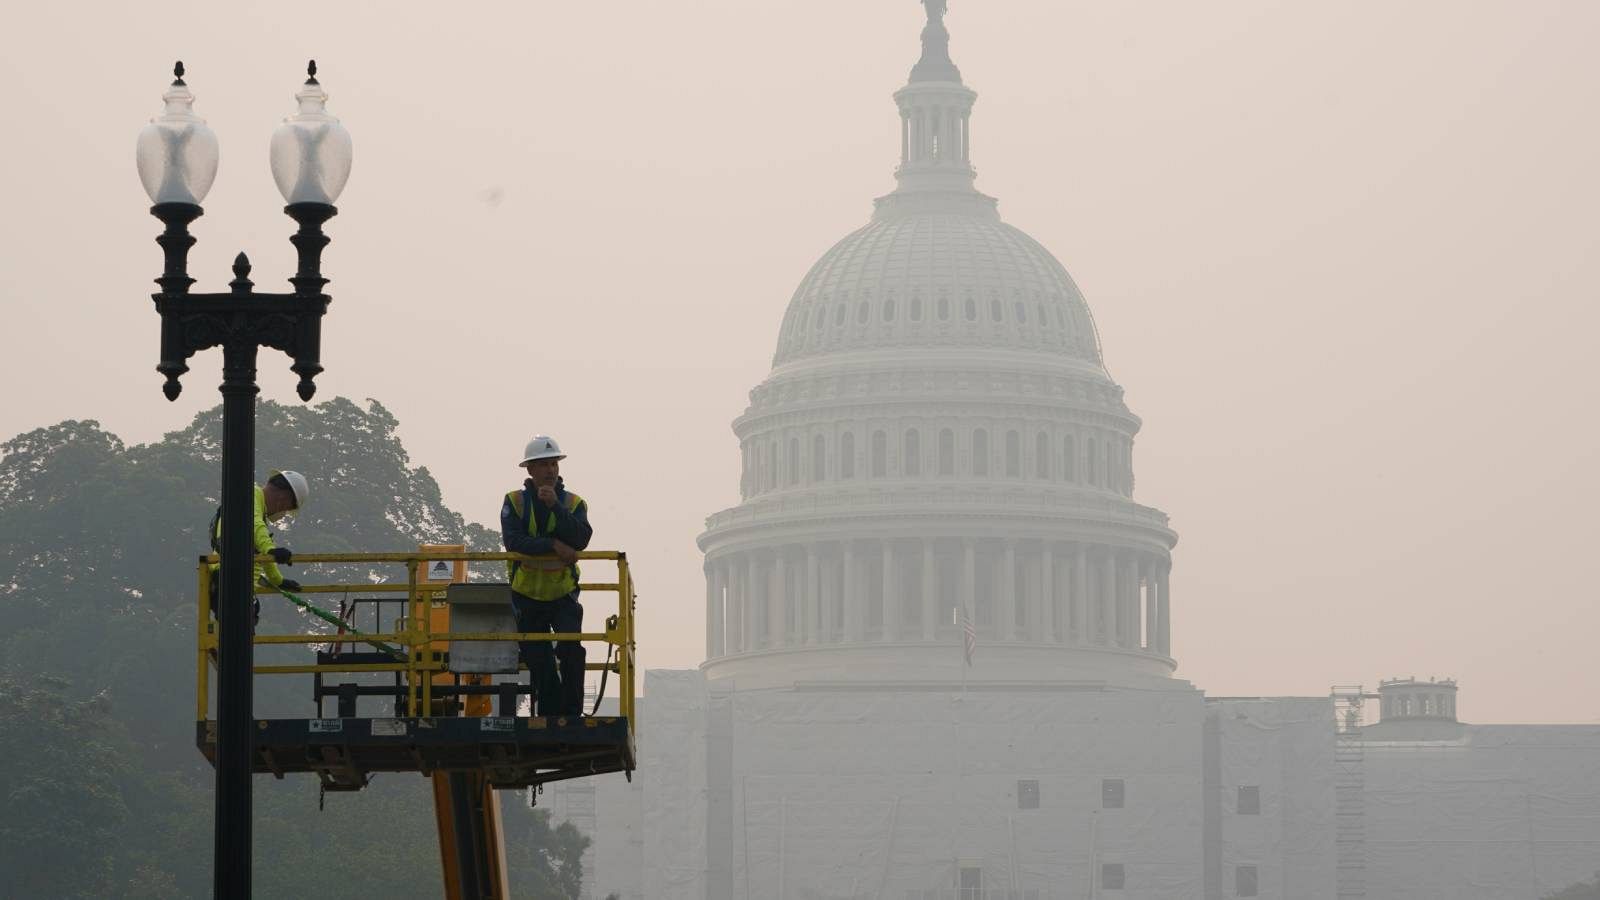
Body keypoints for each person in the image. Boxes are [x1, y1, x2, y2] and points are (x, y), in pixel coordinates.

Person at [500, 435, 593, 717]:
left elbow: (581, 538)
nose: (551, 470)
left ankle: (572, 714)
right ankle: (551, 715)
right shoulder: (514, 502)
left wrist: (556, 507)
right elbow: (514, 542)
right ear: (530, 470)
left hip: (563, 594)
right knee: (538, 659)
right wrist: (552, 545)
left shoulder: (574, 503)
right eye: (543, 465)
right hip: (527, 595)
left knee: (571, 652)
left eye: (554, 464)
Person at [208, 469, 308, 625]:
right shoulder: (249, 496)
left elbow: (262, 547)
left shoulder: (254, 506)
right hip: (230, 577)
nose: (282, 511)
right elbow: (255, 525)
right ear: (283, 498)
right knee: (238, 632)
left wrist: (278, 580)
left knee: (239, 629)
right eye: (286, 508)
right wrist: (271, 550)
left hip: (232, 578)